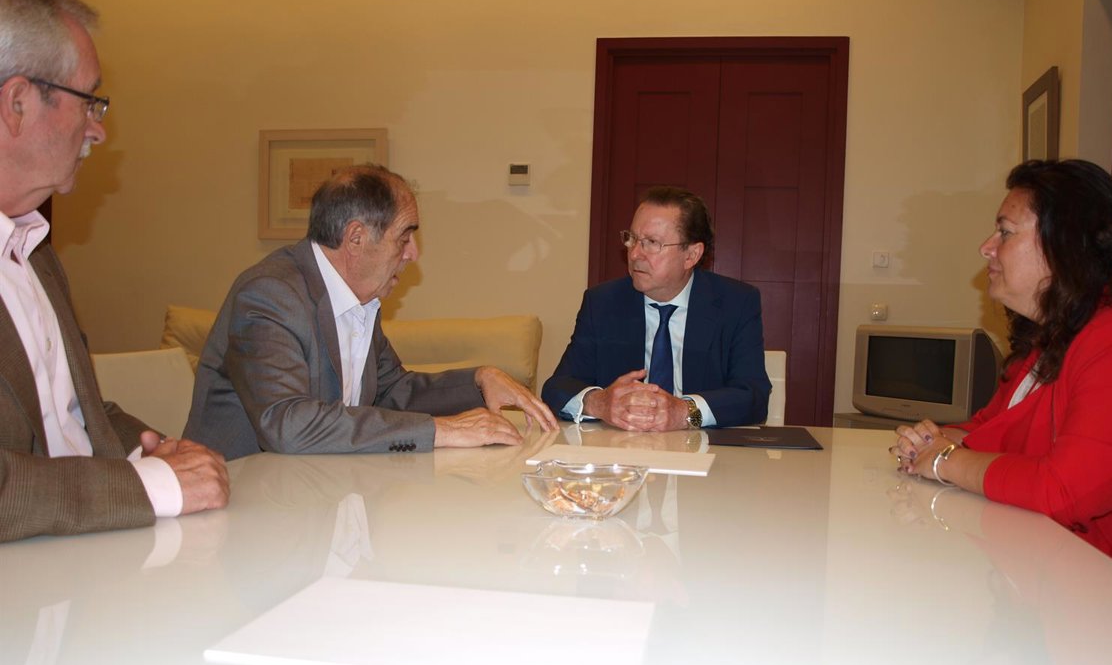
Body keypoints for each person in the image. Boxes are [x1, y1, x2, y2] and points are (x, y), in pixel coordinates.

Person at [891, 159, 1112, 600]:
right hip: (1062, 577)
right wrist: (930, 440)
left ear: (1066, 245)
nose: (986, 247)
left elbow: (1065, 490)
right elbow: (989, 429)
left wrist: (943, 461)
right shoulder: (1057, 335)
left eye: (1005, 232)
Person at [0, 0, 229, 541]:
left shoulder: (35, 253)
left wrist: (157, 451)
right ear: (17, 103)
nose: (98, 130)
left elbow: (74, 413)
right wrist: (152, 485)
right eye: (88, 101)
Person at [184, 164, 558, 460]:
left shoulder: (360, 299)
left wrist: (480, 379)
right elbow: (287, 424)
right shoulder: (270, 295)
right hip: (241, 499)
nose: (413, 253)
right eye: (404, 237)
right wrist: (442, 431)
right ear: (356, 238)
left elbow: (393, 390)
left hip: (316, 490)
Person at [542, 185, 770, 431]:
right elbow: (557, 387)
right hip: (621, 446)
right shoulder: (603, 302)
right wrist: (599, 403)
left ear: (691, 255)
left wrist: (685, 412)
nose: (634, 254)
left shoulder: (735, 303)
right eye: (632, 239)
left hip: (704, 448)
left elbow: (753, 396)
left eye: (652, 243)